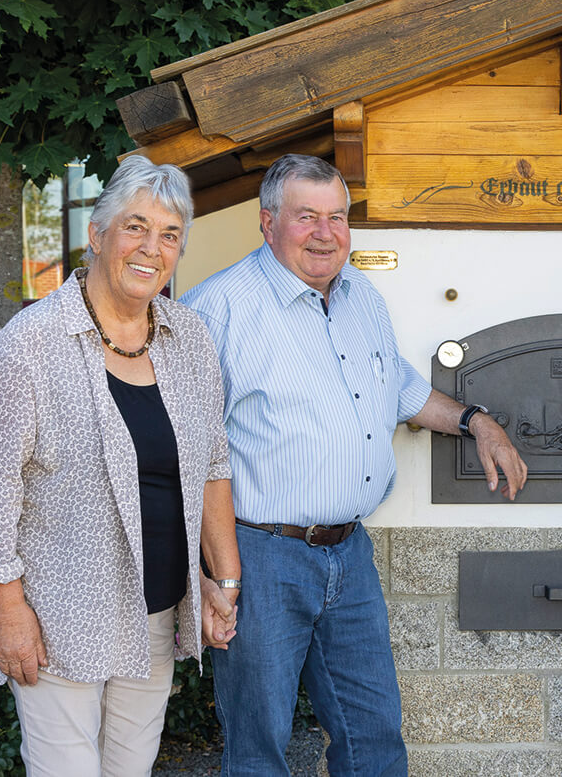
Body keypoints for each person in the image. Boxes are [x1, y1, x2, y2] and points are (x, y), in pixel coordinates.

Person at [180, 153, 528, 777]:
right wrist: (216, 575)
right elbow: (189, 451)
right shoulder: (218, 310)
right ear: (266, 222)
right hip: (260, 557)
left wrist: (477, 420)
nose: (325, 232)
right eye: (305, 216)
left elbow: (396, 385)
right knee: (259, 749)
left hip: (350, 556)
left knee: (374, 737)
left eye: (337, 217)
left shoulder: (361, 294)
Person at [0, 155, 241, 776]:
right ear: (97, 234)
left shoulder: (188, 338)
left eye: (169, 234)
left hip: (156, 612)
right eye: (135, 226)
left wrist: (224, 580)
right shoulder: (31, 344)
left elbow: (212, 462)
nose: (151, 248)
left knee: (129, 771)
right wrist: (6, 612)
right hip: (60, 617)